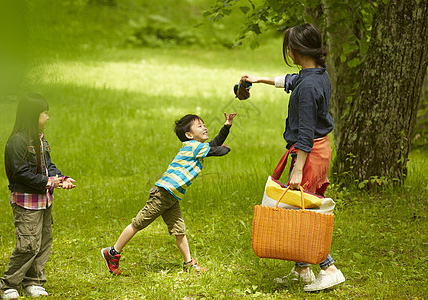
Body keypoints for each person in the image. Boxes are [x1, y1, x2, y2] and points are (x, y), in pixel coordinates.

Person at [242, 23, 345, 292]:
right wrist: (258, 79)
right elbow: (289, 80)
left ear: (297, 50)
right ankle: (302, 270)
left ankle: (329, 268)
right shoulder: (315, 74)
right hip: (317, 150)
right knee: (301, 205)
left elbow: (306, 132)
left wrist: (298, 168)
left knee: (303, 212)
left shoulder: (310, 85)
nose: (288, 51)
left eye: (290, 47)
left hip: (309, 152)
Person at [101, 112, 237, 275]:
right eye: (199, 126)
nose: (205, 127)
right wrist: (225, 149)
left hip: (172, 197)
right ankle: (112, 252)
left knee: (179, 231)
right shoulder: (194, 147)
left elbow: (214, 145)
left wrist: (227, 125)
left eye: (204, 124)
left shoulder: (197, 147)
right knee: (138, 223)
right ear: (189, 135)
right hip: (162, 194)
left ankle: (188, 263)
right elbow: (216, 150)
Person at [0, 93, 76, 299]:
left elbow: (48, 166)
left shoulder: (41, 140)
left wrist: (61, 178)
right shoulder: (17, 142)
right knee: (27, 244)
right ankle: (9, 284)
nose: (47, 118)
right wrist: (48, 182)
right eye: (44, 113)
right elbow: (19, 173)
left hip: (44, 201)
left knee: (42, 242)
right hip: (27, 204)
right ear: (33, 115)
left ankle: (33, 282)